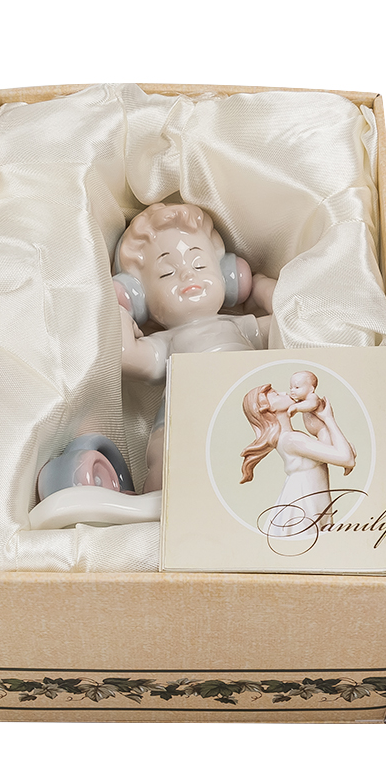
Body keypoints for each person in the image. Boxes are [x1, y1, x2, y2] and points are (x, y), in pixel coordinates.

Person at [115, 202, 276, 492]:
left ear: (228, 275)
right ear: (139, 297)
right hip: (187, 419)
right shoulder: (167, 343)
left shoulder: (240, 327)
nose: (188, 275)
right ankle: (160, 501)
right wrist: (120, 313)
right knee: (169, 459)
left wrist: (260, 286)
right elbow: (128, 357)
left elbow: (286, 321)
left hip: (249, 411)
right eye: (166, 273)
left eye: (199, 265)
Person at [240, 382, 356, 543]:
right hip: (303, 504)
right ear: (269, 409)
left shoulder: (291, 437)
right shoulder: (292, 439)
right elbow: (346, 459)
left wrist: (320, 422)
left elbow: (330, 448)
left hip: (312, 500)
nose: (284, 392)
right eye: (276, 394)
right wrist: (329, 419)